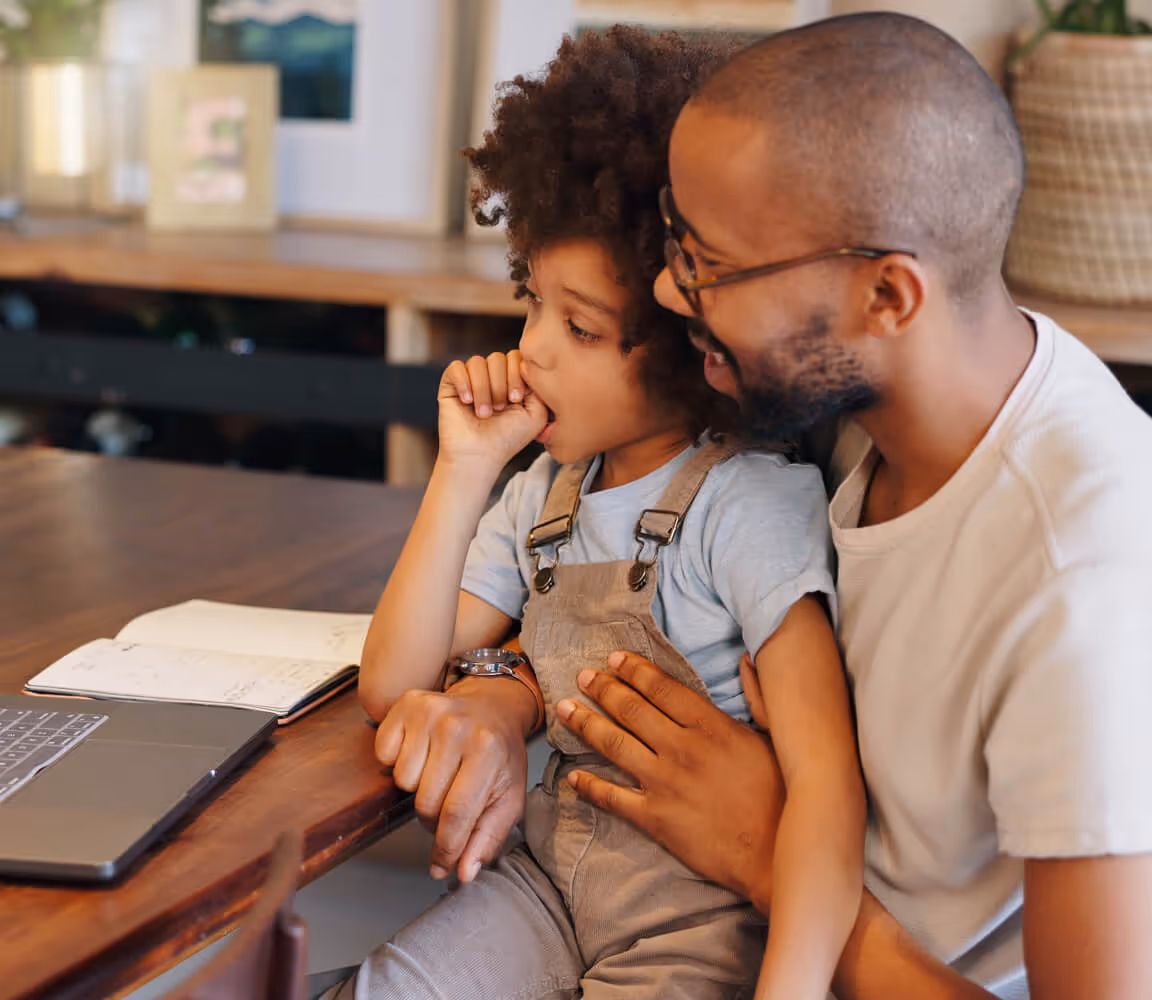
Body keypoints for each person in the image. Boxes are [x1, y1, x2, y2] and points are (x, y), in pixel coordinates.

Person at [325, 10, 1152, 1000]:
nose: (670, 295)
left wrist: (760, 851)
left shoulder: (1082, 579)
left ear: (887, 296)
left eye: (710, 264)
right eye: (676, 240)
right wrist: (508, 689)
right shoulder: (846, 399)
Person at [342, 25, 865, 1000]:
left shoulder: (747, 504)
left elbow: (828, 795)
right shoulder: (542, 492)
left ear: (692, 343)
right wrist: (461, 469)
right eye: (532, 301)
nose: (533, 349)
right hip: (546, 888)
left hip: (701, 924)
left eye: (580, 327)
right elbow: (397, 678)